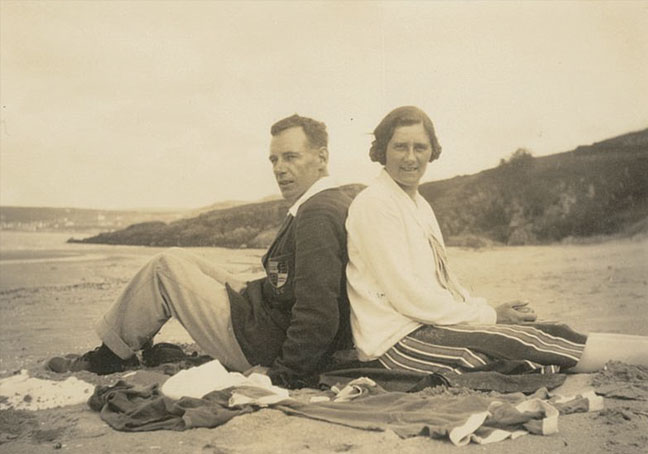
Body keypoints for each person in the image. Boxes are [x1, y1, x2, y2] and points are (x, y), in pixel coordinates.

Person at [49, 114, 353, 387]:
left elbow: (319, 311)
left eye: (290, 157)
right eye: (273, 160)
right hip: (267, 317)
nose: (280, 169)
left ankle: (111, 355)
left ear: (322, 157)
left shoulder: (318, 214)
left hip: (263, 343)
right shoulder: (326, 202)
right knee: (179, 256)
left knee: (163, 268)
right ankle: (126, 342)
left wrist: (283, 375)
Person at [345, 105, 648, 376]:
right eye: (400, 147)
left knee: (546, 332)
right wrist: (490, 316)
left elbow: (443, 283)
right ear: (383, 149)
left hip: (425, 326)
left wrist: (487, 311)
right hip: (396, 345)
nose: (410, 157)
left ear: (431, 151)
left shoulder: (418, 204)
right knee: (521, 345)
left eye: (420, 147)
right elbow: (411, 297)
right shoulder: (376, 203)